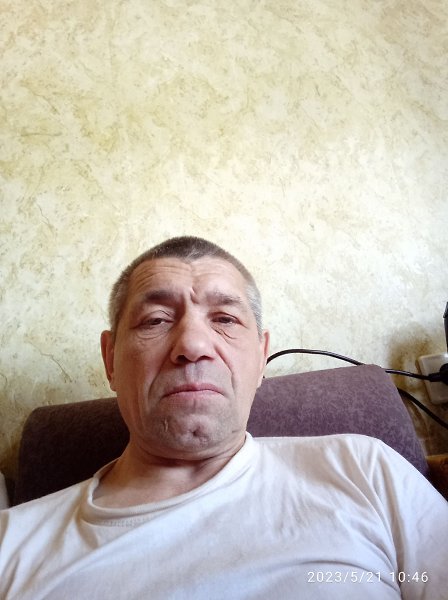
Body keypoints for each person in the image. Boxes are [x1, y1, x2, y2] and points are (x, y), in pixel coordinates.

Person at [0, 236, 447, 600]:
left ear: (261, 356)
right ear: (110, 359)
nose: (193, 345)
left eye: (226, 319)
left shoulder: (364, 470)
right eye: (156, 320)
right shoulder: (11, 544)